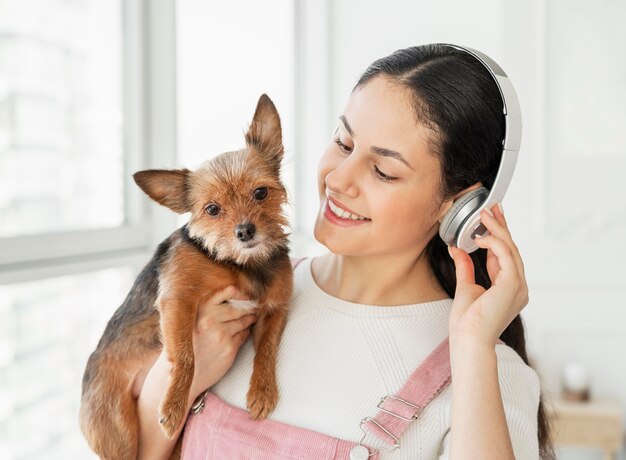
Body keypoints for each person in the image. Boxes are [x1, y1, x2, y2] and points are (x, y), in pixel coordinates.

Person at [136, 44, 555, 459]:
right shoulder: (227, 306)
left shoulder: (486, 370)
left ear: (459, 205)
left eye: (383, 171)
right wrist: (179, 375)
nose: (338, 179)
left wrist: (473, 347)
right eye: (343, 142)